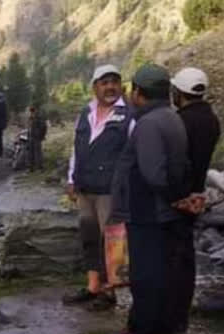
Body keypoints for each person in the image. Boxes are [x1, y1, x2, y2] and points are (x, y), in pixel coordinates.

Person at [109, 64, 190, 334]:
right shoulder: (169, 117)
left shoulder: (149, 124)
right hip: (156, 213)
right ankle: (138, 329)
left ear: (139, 93)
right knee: (150, 275)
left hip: (148, 213)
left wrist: (172, 199)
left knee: (147, 277)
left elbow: (154, 174)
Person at [62, 65, 132, 311]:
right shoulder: (85, 113)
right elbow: (76, 149)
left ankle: (110, 292)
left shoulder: (129, 116)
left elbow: (133, 154)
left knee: (112, 241)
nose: (110, 86)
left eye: (114, 81)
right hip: (85, 187)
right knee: (89, 237)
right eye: (104, 82)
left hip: (111, 190)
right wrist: (71, 178)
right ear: (95, 87)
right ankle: (92, 286)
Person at [167, 68, 221, 334]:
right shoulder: (211, 120)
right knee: (186, 256)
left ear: (179, 93)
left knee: (171, 258)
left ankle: (171, 317)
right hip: (197, 197)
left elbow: (176, 164)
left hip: (178, 198)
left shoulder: (180, 122)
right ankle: (181, 317)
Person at [28, 105, 47, 172]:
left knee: (38, 152)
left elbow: (44, 127)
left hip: (37, 137)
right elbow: (29, 127)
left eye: (32, 111)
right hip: (31, 136)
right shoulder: (31, 117)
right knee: (31, 152)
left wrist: (41, 136)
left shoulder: (39, 117)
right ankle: (31, 167)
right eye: (31, 111)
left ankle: (40, 167)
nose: (31, 113)